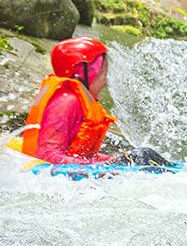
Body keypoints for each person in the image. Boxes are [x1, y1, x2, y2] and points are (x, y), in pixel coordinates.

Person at [19, 37, 170, 166]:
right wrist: (102, 166)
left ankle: (176, 172)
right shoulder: (66, 102)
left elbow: (80, 156)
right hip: (53, 176)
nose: (105, 82)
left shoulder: (75, 100)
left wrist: (111, 160)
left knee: (140, 156)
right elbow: (47, 156)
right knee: (142, 155)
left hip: (75, 171)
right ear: (85, 73)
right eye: (103, 74)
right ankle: (177, 174)